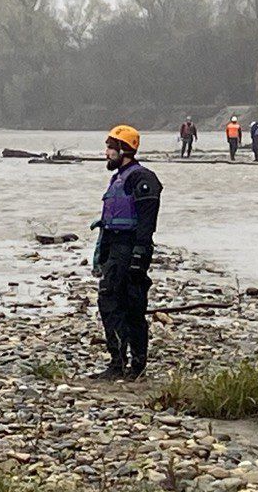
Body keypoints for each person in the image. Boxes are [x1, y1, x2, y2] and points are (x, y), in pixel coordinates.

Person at [92, 125, 162, 381]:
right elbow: (109, 222)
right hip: (116, 249)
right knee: (112, 303)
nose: (106, 152)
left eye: (111, 147)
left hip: (131, 249)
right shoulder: (119, 178)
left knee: (130, 306)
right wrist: (102, 253)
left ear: (123, 150)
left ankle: (134, 364)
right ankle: (120, 362)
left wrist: (138, 257)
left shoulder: (142, 179)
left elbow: (146, 223)